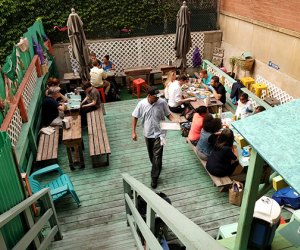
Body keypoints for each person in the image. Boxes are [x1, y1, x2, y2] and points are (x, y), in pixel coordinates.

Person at [132, 86, 175, 189]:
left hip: (160, 133)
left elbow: (168, 114)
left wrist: (174, 121)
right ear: (149, 96)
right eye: (155, 97)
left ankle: (154, 177)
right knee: (152, 155)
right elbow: (135, 116)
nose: (157, 98)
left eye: (158, 96)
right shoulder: (142, 104)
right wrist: (133, 132)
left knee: (157, 155)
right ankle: (157, 166)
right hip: (148, 133)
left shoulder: (162, 102)